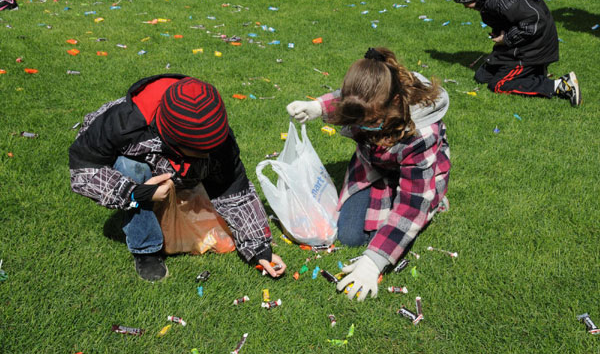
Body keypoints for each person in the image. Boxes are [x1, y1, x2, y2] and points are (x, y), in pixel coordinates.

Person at [69, 75, 287, 281]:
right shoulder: (122, 122)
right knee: (131, 167)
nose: (208, 156)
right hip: (139, 179)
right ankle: (146, 249)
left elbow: (234, 189)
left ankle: (178, 196)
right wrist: (137, 193)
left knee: (216, 169)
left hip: (176, 170)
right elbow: (83, 170)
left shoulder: (214, 130)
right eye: (200, 152)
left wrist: (259, 248)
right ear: (172, 141)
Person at [286, 48, 451, 301]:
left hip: (417, 179)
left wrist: (374, 263)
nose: (361, 128)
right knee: (350, 236)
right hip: (375, 166)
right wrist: (317, 107)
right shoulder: (371, 95)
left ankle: (435, 199)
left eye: (370, 122)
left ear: (394, 103)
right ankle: (385, 192)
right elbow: (348, 100)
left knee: (381, 241)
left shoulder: (421, 134)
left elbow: (412, 205)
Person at [451, 0, 580, 106]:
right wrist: (500, 30)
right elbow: (511, 18)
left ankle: (561, 85)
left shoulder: (505, 0)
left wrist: (506, 39)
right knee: (482, 76)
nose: (465, 6)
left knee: (498, 84)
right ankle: (533, 72)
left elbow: (535, 22)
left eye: (466, 2)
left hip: (535, 45)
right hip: (524, 39)